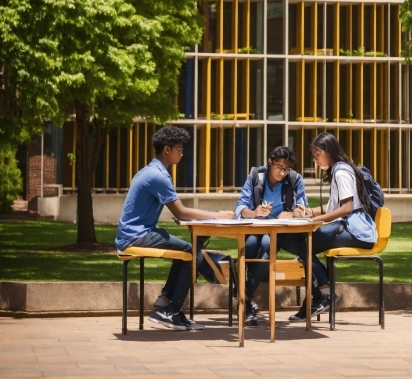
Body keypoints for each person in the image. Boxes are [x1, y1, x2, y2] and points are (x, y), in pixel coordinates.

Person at [115, 126, 233, 331]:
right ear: (167, 150)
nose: (182, 153)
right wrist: (217, 215)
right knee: (192, 251)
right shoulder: (158, 176)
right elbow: (180, 212)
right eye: (179, 148)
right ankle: (170, 311)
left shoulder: (151, 170)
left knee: (188, 250)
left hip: (138, 232)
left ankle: (167, 301)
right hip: (136, 236)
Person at [278, 132, 378, 322]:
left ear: (328, 151)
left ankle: (324, 295)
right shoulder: (339, 170)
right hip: (350, 226)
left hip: (356, 231)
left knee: (304, 244)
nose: (315, 160)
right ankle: (320, 297)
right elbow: (336, 206)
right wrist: (311, 212)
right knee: (304, 245)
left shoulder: (341, 173)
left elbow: (347, 208)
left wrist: (318, 220)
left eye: (317, 155)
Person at [234, 146, 308, 326]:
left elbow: (303, 207)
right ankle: (245, 298)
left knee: (268, 244)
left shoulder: (294, 179)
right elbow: (240, 206)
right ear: (269, 162)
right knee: (252, 244)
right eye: (279, 167)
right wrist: (254, 212)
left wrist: (294, 213)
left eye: (286, 169)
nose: (282, 173)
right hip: (254, 228)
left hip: (279, 233)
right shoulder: (255, 177)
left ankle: (243, 296)